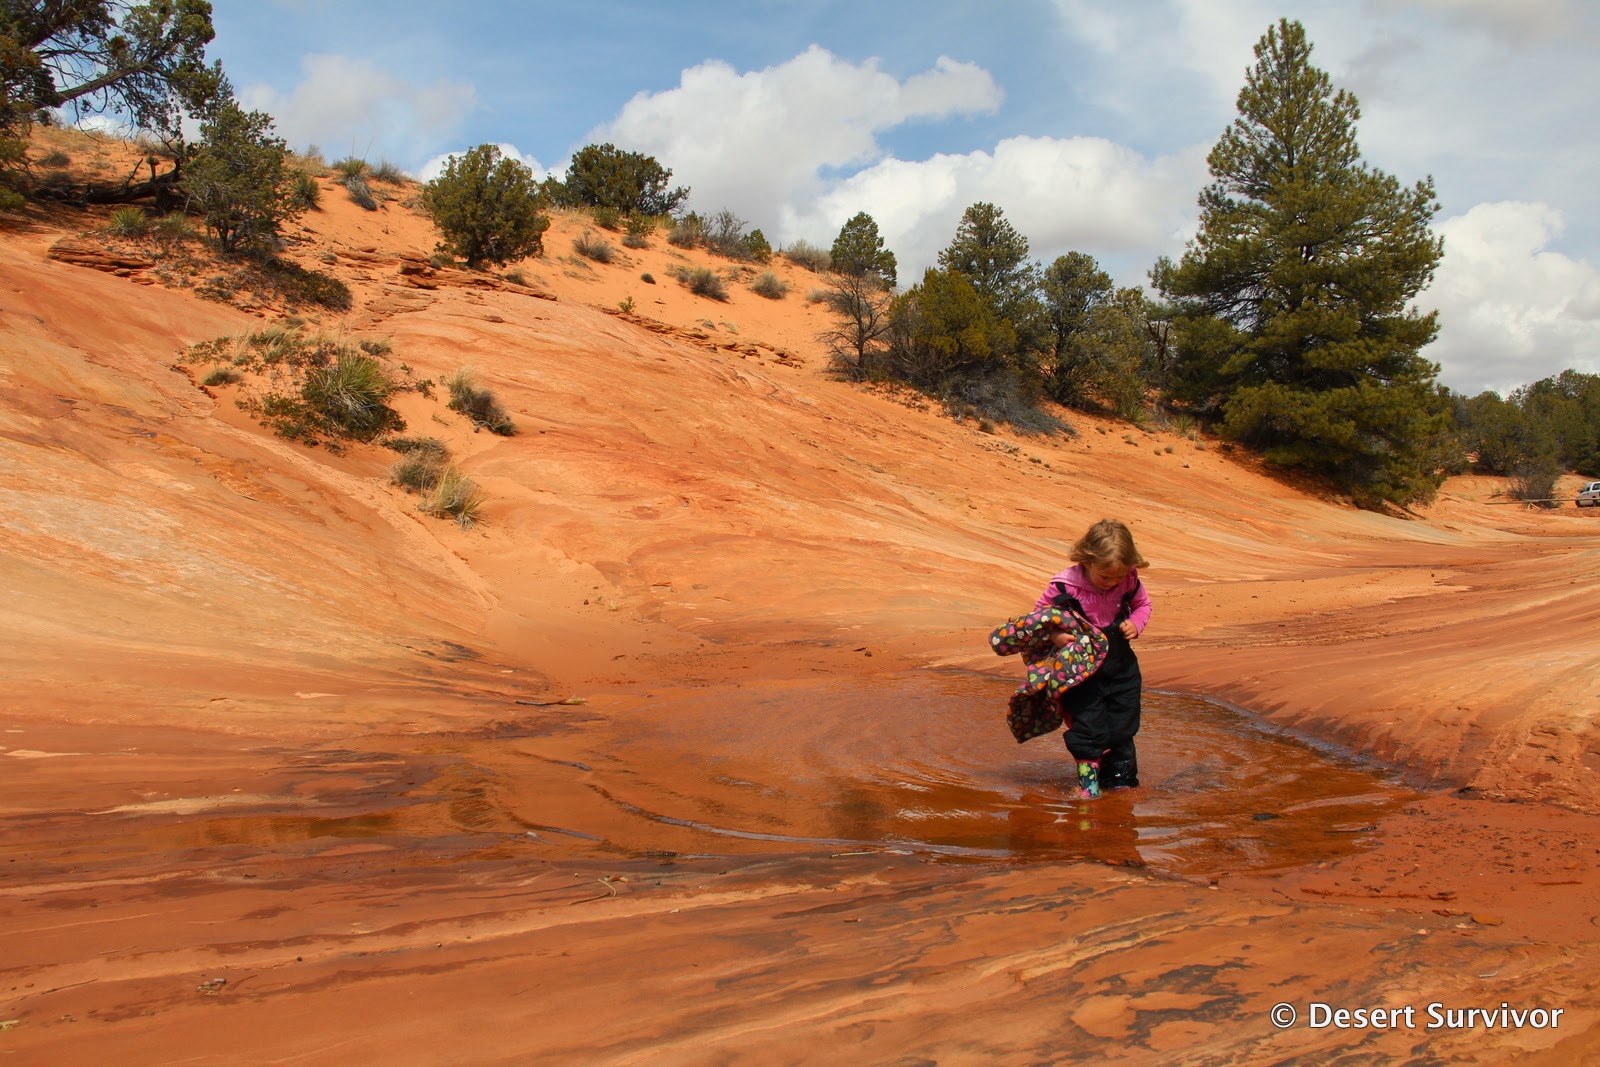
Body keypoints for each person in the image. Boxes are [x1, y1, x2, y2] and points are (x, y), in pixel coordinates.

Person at [1034, 519, 1151, 799]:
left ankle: (1122, 780)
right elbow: (1040, 616)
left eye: (1119, 576)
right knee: (1088, 727)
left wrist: (1136, 623)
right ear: (1087, 560)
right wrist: (1055, 636)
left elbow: (1142, 605)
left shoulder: (1130, 581)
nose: (1113, 583)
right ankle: (1089, 785)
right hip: (1081, 672)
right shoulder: (1065, 586)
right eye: (1105, 577)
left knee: (1123, 724)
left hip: (1121, 668)